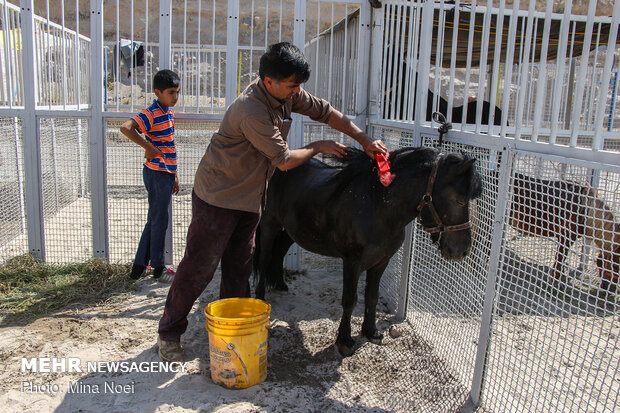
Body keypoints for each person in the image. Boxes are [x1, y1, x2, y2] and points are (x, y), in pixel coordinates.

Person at [157, 42, 387, 362]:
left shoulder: (286, 92)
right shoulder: (251, 109)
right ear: (269, 81)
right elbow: (283, 160)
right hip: (218, 197)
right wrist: (318, 147)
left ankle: (234, 330)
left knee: (240, 268)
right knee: (199, 267)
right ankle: (169, 332)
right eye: (292, 85)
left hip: (250, 198)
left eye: (299, 85)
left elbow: (326, 111)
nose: (298, 91)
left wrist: (363, 139)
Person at [120, 69, 181, 282]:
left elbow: (169, 146)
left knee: (154, 219)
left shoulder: (168, 113)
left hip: (165, 173)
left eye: (177, 92)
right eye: (171, 92)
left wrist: (174, 175)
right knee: (159, 220)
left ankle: (139, 267)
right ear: (158, 92)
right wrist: (148, 147)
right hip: (156, 173)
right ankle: (158, 269)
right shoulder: (153, 112)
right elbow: (126, 128)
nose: (175, 97)